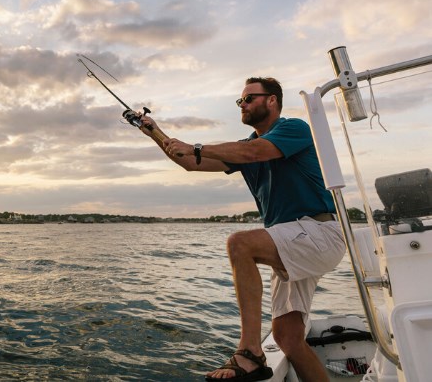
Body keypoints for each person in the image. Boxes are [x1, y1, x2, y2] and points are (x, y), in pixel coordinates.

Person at [139, 77, 346, 382]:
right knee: (288, 340)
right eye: (240, 101)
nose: (243, 105)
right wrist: (154, 132)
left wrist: (195, 145)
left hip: (318, 232)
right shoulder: (246, 147)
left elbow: (253, 153)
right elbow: (190, 163)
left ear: (272, 100)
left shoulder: (294, 129)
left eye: (249, 99)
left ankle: (250, 352)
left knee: (240, 244)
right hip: (290, 241)